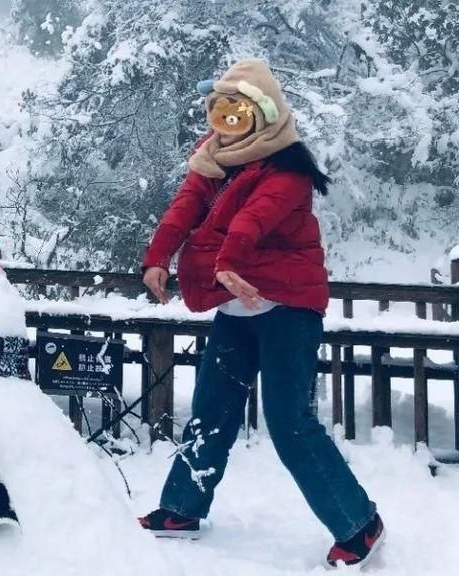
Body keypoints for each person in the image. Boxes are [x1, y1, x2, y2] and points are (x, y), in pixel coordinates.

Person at [137, 59, 384, 568]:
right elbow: (183, 209)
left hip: (287, 310)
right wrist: (157, 258)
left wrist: (226, 263)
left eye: (239, 109)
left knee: (289, 420)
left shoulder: (287, 170)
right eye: (220, 108)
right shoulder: (213, 163)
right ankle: (182, 508)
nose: (227, 118)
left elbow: (253, 221)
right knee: (210, 411)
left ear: (263, 114)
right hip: (237, 310)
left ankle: (359, 523)